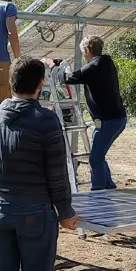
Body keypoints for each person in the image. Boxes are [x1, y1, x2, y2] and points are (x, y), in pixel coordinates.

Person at [0, 56, 81, 271]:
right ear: (40, 85)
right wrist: (65, 212)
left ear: (12, 82)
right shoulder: (44, 120)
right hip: (35, 214)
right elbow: (57, 173)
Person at [53, 36, 128, 191]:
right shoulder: (106, 62)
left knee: (95, 159)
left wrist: (56, 67)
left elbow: (69, 78)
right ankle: (108, 186)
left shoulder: (93, 67)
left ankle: (99, 192)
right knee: (99, 156)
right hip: (116, 118)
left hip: (108, 120)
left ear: (87, 50)